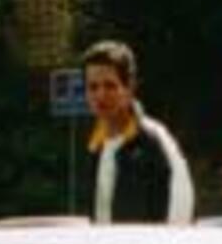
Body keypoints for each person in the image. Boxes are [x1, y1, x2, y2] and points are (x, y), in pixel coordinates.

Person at [81, 41, 191, 224]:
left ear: (129, 88)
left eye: (110, 86)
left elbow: (179, 209)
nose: (100, 95)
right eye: (93, 87)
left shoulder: (154, 141)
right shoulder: (93, 147)